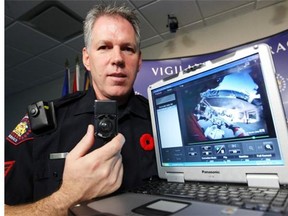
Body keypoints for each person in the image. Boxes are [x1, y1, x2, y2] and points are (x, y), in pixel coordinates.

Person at [5, 3, 157, 215]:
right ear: (87, 58)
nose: (117, 59)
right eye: (104, 47)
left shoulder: (158, 120)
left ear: (139, 61)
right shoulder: (44, 123)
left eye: (127, 48)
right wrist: (66, 196)